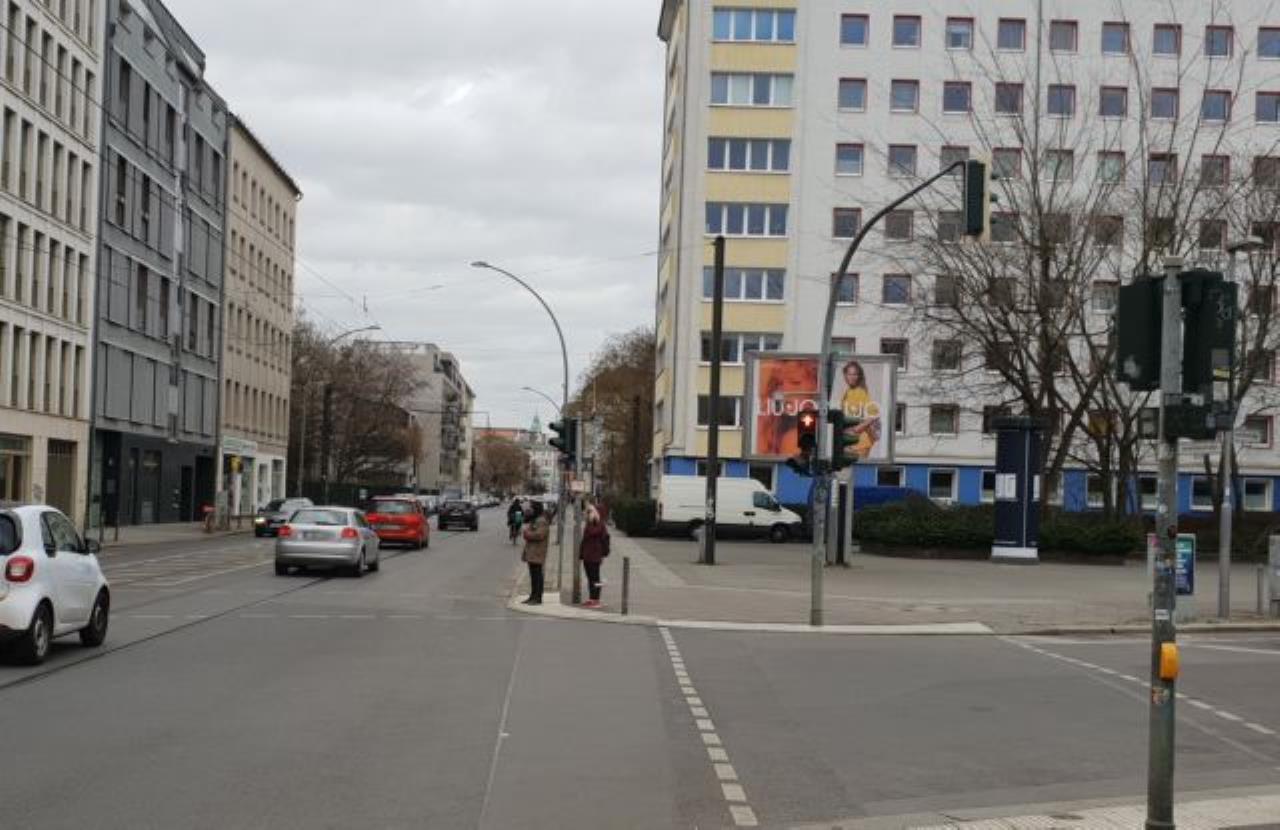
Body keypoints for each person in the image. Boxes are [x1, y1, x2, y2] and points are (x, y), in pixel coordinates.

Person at [839, 359, 882, 459]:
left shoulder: (861, 392)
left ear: (859, 376)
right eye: (849, 374)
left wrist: (856, 429)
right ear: (845, 375)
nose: (852, 377)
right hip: (851, 442)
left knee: (853, 468)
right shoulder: (847, 392)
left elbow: (873, 415)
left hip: (860, 443)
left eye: (855, 374)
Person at [579, 503, 610, 608]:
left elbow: (593, 532)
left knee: (595, 578)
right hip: (587, 555)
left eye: (591, 512)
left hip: (595, 555)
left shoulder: (599, 524)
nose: (589, 514)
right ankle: (591, 598)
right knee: (590, 578)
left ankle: (596, 599)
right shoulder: (591, 523)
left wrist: (592, 520)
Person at [521, 501, 550, 605]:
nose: (530, 510)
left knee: (537, 576)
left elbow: (540, 535)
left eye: (532, 508)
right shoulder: (535, 519)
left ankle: (537, 598)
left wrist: (527, 533)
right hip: (533, 552)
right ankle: (533, 596)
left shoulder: (541, 521)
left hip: (537, 551)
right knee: (533, 576)